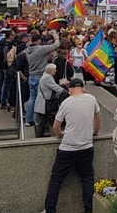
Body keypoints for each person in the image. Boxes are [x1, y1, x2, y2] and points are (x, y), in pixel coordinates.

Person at [43, 77, 101, 213]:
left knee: (56, 180)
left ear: (70, 90)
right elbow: (98, 119)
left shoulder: (66, 103)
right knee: (87, 179)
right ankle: (89, 209)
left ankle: (50, 209)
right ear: (83, 88)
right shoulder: (91, 99)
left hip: (67, 148)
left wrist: (60, 135)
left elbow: (56, 126)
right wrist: (95, 132)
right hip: (86, 147)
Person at [26, 36, 60, 126]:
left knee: (32, 98)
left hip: (31, 76)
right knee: (39, 100)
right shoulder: (40, 49)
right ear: (39, 41)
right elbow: (56, 45)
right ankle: (38, 120)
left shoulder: (28, 50)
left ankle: (28, 120)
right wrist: (56, 37)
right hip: (39, 76)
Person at [35, 63, 65, 138]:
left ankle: (39, 137)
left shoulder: (45, 76)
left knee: (42, 122)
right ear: (50, 70)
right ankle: (52, 137)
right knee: (46, 122)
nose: (55, 71)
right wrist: (66, 91)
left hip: (43, 104)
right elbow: (55, 88)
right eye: (54, 69)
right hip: (45, 104)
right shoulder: (47, 77)